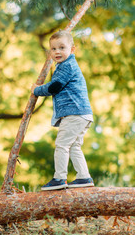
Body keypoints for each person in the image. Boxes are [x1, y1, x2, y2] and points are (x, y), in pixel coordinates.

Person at [31, 30, 94, 191]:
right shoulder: (64, 65)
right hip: (82, 113)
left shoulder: (68, 65)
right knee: (74, 146)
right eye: (53, 49)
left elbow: (55, 87)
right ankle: (83, 176)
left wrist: (36, 90)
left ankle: (59, 178)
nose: (57, 51)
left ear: (72, 49)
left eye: (62, 47)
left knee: (62, 144)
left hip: (75, 113)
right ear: (49, 52)